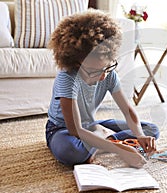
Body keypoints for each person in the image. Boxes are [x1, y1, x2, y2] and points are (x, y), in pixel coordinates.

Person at [45, 9, 159, 168]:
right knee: (70, 151)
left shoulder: (107, 72)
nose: (103, 76)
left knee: (150, 130)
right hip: (63, 130)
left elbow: (127, 111)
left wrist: (139, 135)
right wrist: (121, 150)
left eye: (106, 68)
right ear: (76, 64)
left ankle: (100, 139)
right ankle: (102, 138)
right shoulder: (67, 78)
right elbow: (76, 130)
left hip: (91, 125)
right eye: (95, 71)